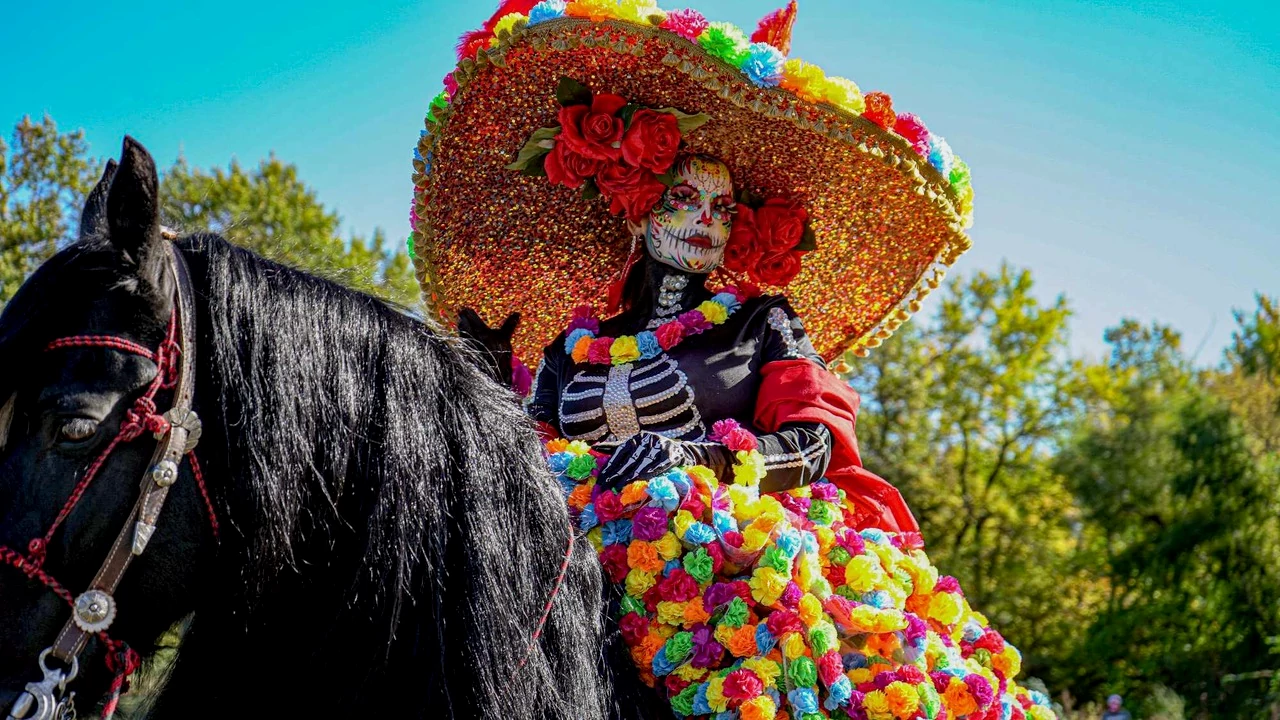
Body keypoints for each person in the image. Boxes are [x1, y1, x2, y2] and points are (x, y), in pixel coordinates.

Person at [410, 1, 1059, 718]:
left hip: (727, 557)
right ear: (639, 208)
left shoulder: (760, 321)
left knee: (790, 636)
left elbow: (813, 446)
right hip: (572, 550)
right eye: (685, 200)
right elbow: (525, 452)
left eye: (722, 211)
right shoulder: (572, 346)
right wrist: (488, 378)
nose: (705, 223)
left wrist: (694, 459)